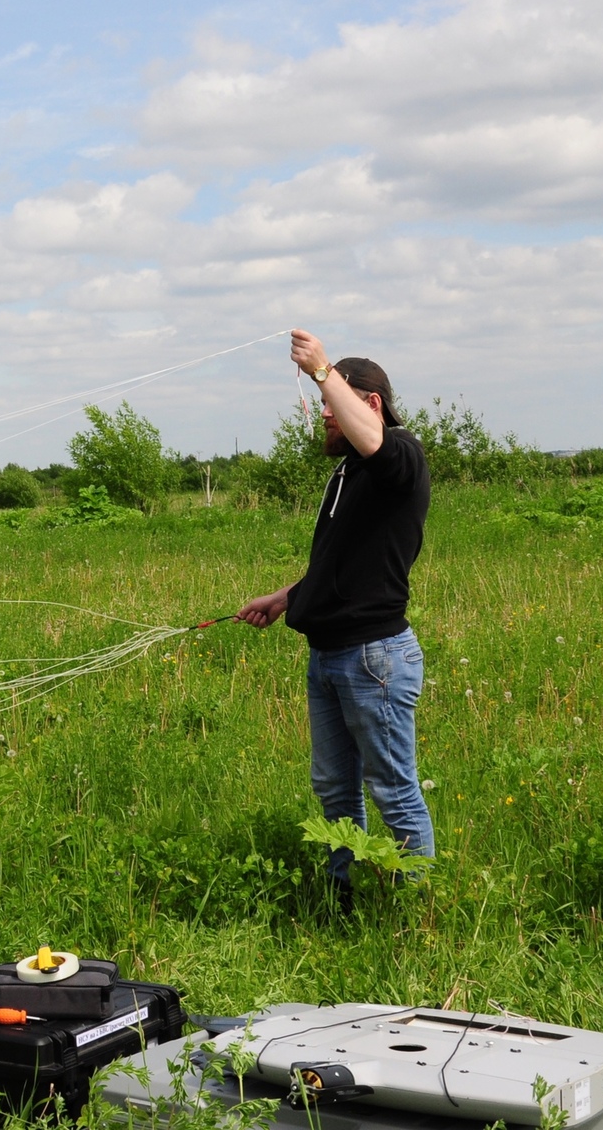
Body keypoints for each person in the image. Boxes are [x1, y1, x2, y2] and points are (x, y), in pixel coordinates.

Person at [237, 330, 433, 905]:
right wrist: (289, 596)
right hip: (329, 657)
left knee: (393, 791)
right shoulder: (348, 473)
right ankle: (345, 900)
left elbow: (373, 438)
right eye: (323, 402)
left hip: (374, 659)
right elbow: (346, 562)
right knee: (334, 791)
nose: (324, 414)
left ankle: (410, 908)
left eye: (334, 402)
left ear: (369, 402)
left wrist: (323, 368)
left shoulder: (400, 455)